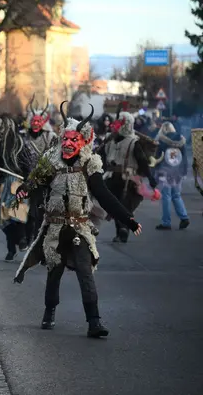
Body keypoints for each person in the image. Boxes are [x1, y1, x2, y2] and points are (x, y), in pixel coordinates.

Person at [14, 103, 142, 338]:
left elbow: (105, 196)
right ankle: (49, 311)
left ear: (83, 141)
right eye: (66, 139)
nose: (68, 143)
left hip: (79, 228)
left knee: (85, 271)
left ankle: (94, 321)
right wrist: (24, 189)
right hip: (54, 228)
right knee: (54, 272)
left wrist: (128, 220)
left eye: (74, 140)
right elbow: (34, 181)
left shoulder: (89, 164)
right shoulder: (51, 161)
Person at [101, 106, 159, 243]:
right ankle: (121, 230)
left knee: (125, 206)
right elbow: (101, 157)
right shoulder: (109, 140)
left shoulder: (134, 142)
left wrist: (150, 178)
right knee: (115, 206)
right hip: (111, 178)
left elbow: (142, 161)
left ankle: (123, 229)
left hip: (129, 180)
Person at [0, 114, 35, 261]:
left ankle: (21, 239)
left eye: (1, 128)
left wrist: (28, 183)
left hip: (19, 183)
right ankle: (12, 246)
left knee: (16, 213)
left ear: (8, 127)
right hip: (3, 182)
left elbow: (28, 166)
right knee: (0, 215)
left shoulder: (19, 144)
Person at [22, 96, 57, 244]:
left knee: (39, 209)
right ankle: (26, 236)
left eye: (38, 121)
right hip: (27, 177)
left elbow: (55, 156)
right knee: (25, 208)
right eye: (33, 121)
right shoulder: (24, 137)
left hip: (44, 178)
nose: (35, 124)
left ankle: (39, 237)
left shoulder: (50, 136)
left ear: (43, 122)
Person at [154, 122, 189, 230]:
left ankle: (166, 222)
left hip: (165, 171)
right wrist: (184, 171)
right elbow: (184, 158)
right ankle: (184, 217)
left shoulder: (161, 141)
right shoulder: (181, 140)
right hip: (177, 171)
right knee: (176, 195)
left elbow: (157, 158)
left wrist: (155, 172)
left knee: (166, 197)